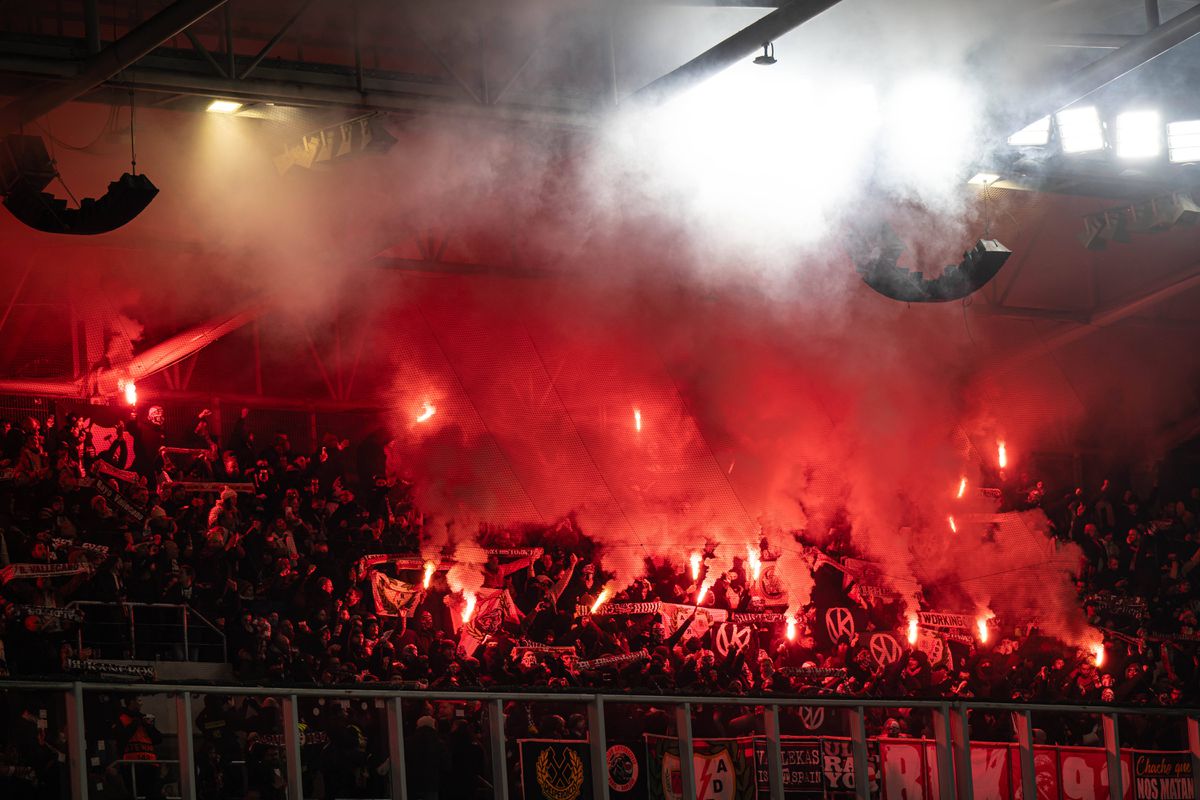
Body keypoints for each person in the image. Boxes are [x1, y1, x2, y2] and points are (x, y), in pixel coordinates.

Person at [113, 696, 163, 800]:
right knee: (134, 793)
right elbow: (121, 738)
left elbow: (158, 739)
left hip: (150, 763)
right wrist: (134, 724)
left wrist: (149, 727)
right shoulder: (122, 717)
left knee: (153, 793)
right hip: (131, 764)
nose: (141, 703)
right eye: (139, 700)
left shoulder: (144, 718)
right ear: (131, 702)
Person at [405, 715, 449, 800]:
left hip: (412, 783)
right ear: (433, 726)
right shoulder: (439, 743)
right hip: (431, 784)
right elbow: (446, 764)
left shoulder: (408, 742)